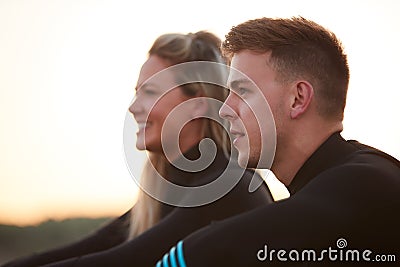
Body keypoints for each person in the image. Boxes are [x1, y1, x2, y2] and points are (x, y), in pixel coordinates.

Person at [2, 31, 273, 267]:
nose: (133, 107)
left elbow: (124, 261)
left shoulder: (227, 187)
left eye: (150, 92)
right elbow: (92, 246)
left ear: (197, 105)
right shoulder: (167, 193)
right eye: (137, 92)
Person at [157, 17, 400, 266]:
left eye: (243, 91)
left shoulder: (365, 182)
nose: (224, 110)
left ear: (297, 98)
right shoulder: (339, 188)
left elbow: (212, 249)